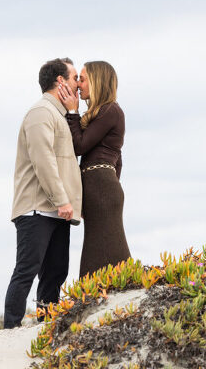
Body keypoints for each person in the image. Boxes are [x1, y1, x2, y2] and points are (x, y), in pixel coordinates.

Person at [3, 58, 83, 329]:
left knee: (56, 272)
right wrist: (62, 200)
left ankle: (45, 328)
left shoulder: (58, 115)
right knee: (27, 271)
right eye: (74, 78)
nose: (79, 85)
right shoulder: (40, 113)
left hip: (59, 210)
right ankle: (10, 330)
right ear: (60, 81)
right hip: (37, 208)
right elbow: (43, 159)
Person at [57, 61, 130, 278]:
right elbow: (118, 159)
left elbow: (79, 145)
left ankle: (112, 291)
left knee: (104, 246)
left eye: (82, 78)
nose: (78, 84)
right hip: (99, 185)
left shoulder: (111, 110)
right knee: (99, 244)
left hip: (100, 186)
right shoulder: (103, 112)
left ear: (97, 81)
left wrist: (72, 112)